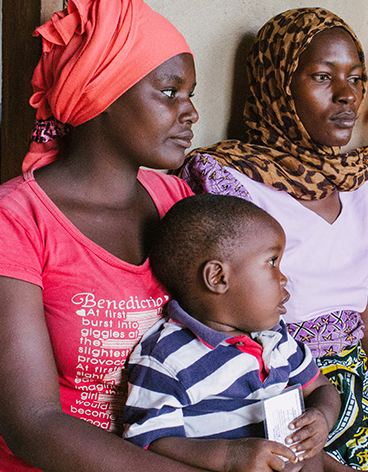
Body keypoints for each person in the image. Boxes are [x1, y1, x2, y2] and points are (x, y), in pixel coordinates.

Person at [180, 8, 368, 472]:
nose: (347, 95)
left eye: (356, 79)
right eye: (322, 76)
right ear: (278, 84)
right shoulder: (228, 182)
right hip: (275, 401)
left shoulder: (363, 189)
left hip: (363, 401)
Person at [0, 0, 200, 472]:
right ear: (101, 92)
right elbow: (34, 425)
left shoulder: (177, 201)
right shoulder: (4, 228)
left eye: (190, 94)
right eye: (169, 92)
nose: (191, 112)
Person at [123, 194, 340, 472]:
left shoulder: (274, 335)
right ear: (218, 277)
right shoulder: (166, 358)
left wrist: (322, 416)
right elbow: (149, 442)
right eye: (272, 262)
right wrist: (229, 456)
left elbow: (321, 387)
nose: (284, 278)